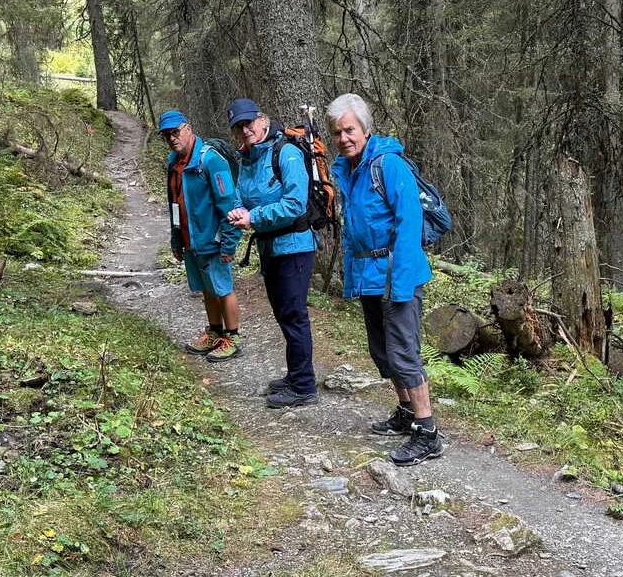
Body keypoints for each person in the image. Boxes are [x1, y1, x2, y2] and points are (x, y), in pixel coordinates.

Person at [328, 93, 444, 467]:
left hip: (397, 274)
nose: (344, 137)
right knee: (383, 354)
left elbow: (409, 225)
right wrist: (351, 279)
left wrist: (404, 282)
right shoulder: (349, 170)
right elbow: (353, 231)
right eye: (338, 132)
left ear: (365, 128)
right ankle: (407, 412)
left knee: (403, 354)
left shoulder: (389, 166)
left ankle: (427, 433)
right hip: (369, 275)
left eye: (349, 129)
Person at [225, 98, 319, 409]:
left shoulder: (287, 153)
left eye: (249, 122)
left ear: (263, 120)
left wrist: (254, 218)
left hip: (294, 247)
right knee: (283, 314)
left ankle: (304, 385)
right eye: (239, 126)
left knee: (294, 315)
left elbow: (295, 205)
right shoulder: (248, 158)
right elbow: (242, 194)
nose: (245, 129)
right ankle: (296, 375)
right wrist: (238, 211)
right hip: (269, 246)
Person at [160, 110, 245, 363]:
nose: (172, 139)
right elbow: (174, 203)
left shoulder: (210, 160)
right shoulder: (174, 163)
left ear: (188, 128)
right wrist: (177, 239)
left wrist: (229, 243)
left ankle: (233, 336)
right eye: (167, 135)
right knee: (208, 290)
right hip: (191, 241)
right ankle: (215, 332)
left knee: (223, 288)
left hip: (213, 240)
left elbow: (230, 204)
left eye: (175, 132)